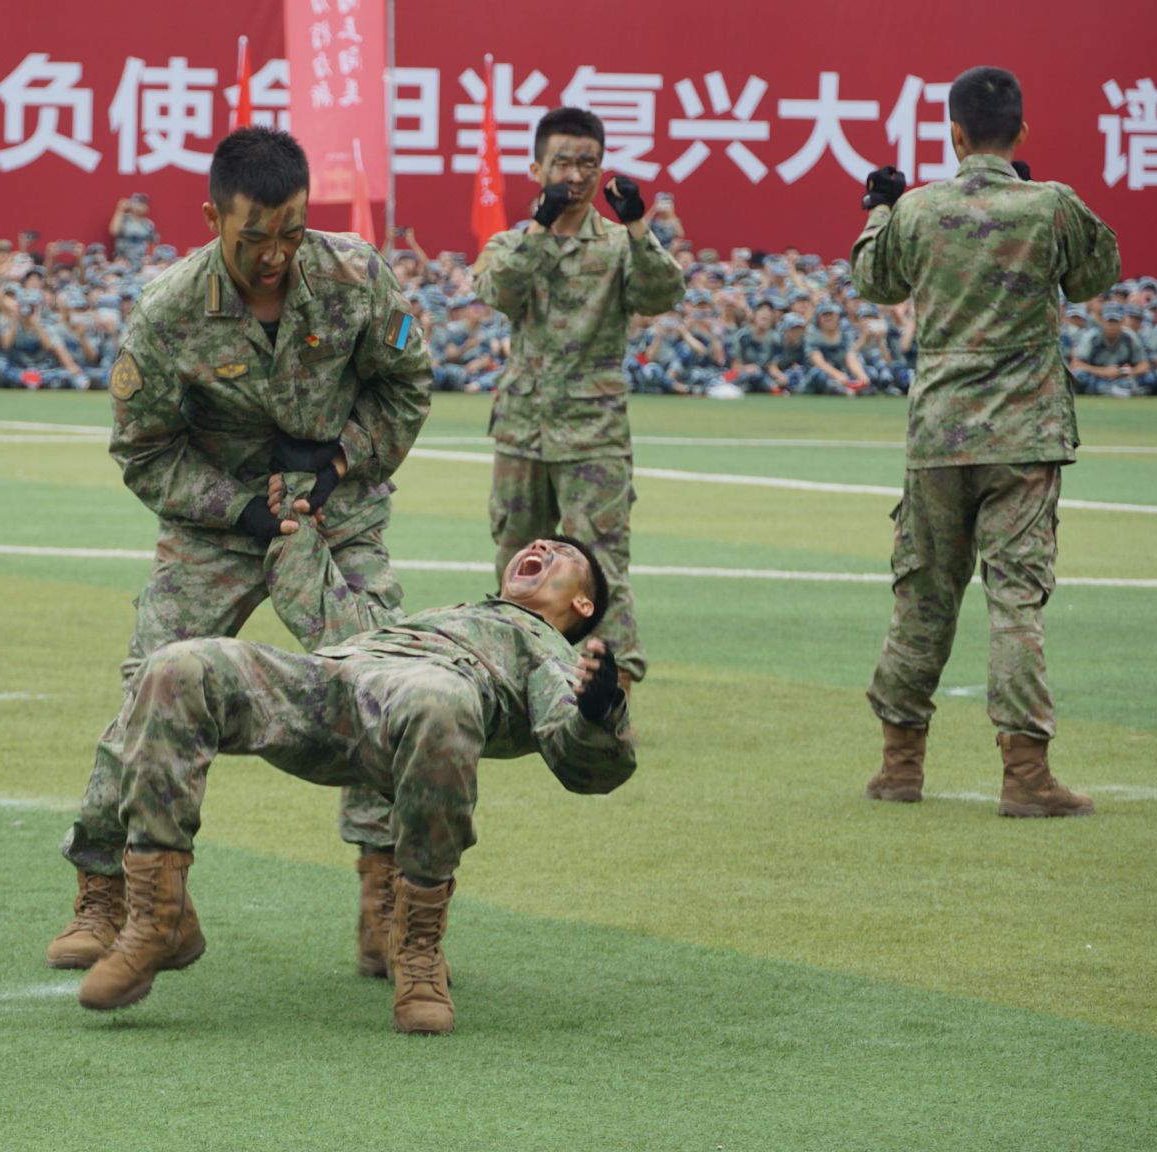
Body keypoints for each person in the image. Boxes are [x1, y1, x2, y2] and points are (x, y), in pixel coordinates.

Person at [48, 125, 434, 982]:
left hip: (334, 514)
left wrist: (340, 462)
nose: (274, 255)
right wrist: (240, 510)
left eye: (291, 231)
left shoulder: (354, 275)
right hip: (217, 524)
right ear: (212, 218)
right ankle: (112, 892)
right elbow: (144, 449)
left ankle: (386, 900)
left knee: (385, 680)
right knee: (152, 686)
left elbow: (406, 385)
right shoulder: (169, 310)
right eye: (253, 236)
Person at [77, 526, 636, 1035]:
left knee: (440, 699)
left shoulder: (548, 651)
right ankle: (161, 915)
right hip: (334, 683)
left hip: (416, 708)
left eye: (561, 552)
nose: (540, 547)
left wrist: (597, 711)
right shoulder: (453, 613)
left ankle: (417, 952)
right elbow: (329, 612)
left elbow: (585, 763)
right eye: (537, 543)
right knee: (177, 666)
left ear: (582, 604)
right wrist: (296, 530)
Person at [852, 65, 1120, 818]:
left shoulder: (918, 208)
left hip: (939, 434)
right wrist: (1038, 215)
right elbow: (1098, 272)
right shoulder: (1051, 205)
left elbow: (874, 280)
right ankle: (1025, 775)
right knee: (1015, 605)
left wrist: (879, 208)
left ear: (955, 134)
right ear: (1021, 134)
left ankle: (900, 766)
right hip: (1024, 436)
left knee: (922, 598)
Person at [474, 106, 685, 697]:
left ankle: (610, 701)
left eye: (587, 163)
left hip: (594, 433)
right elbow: (498, 290)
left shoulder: (619, 245)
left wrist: (637, 224)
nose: (574, 174)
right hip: (522, 429)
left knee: (602, 565)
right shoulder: (512, 242)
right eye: (562, 162)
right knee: (518, 564)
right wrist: (540, 228)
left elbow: (663, 292)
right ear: (536, 168)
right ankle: (517, 691)